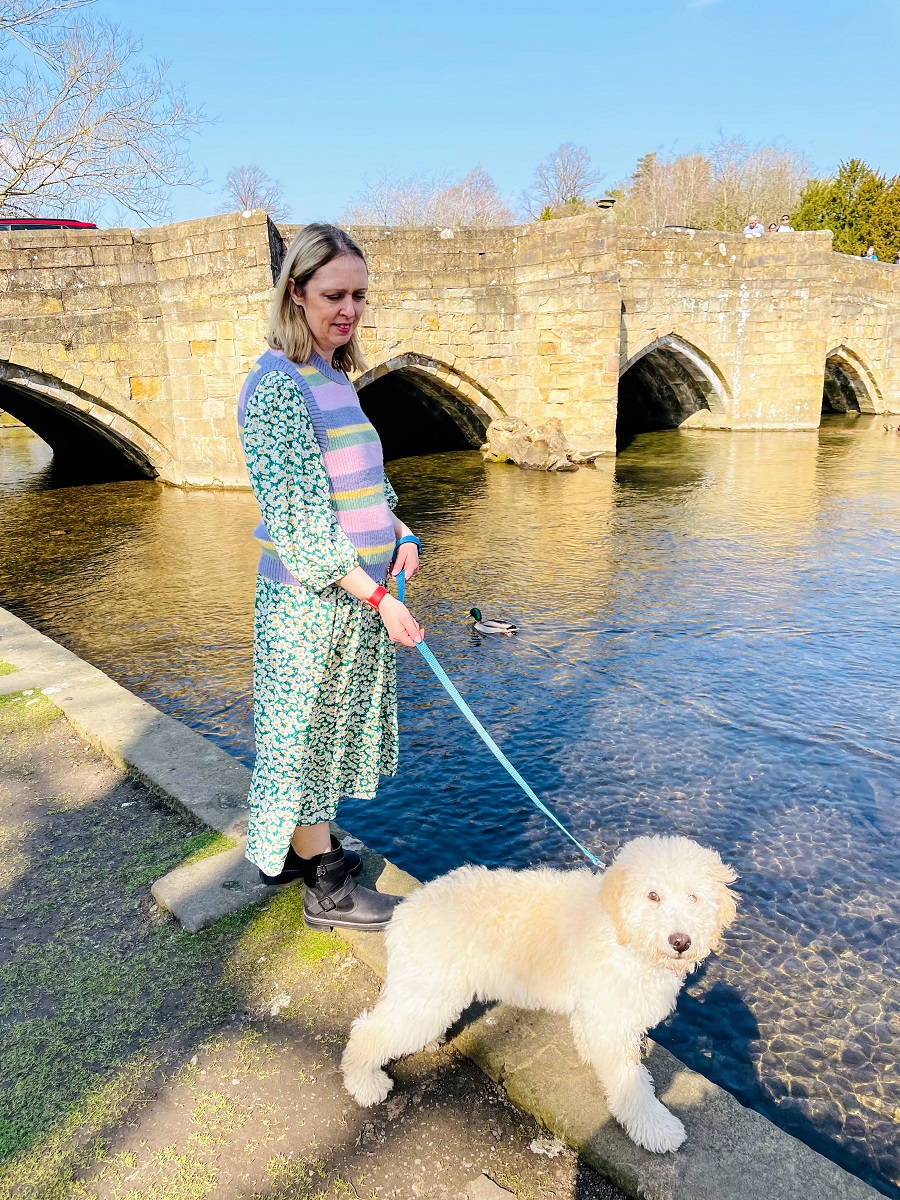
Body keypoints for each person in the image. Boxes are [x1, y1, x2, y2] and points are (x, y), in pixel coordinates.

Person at [237, 223, 423, 932]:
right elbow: (300, 522)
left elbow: (362, 487)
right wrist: (376, 595)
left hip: (349, 595)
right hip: (311, 602)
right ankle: (326, 888)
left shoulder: (334, 375)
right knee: (305, 736)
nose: (349, 309)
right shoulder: (278, 386)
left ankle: (300, 845)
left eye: (360, 296)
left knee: (322, 735)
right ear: (296, 291)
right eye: (334, 294)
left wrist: (401, 533)